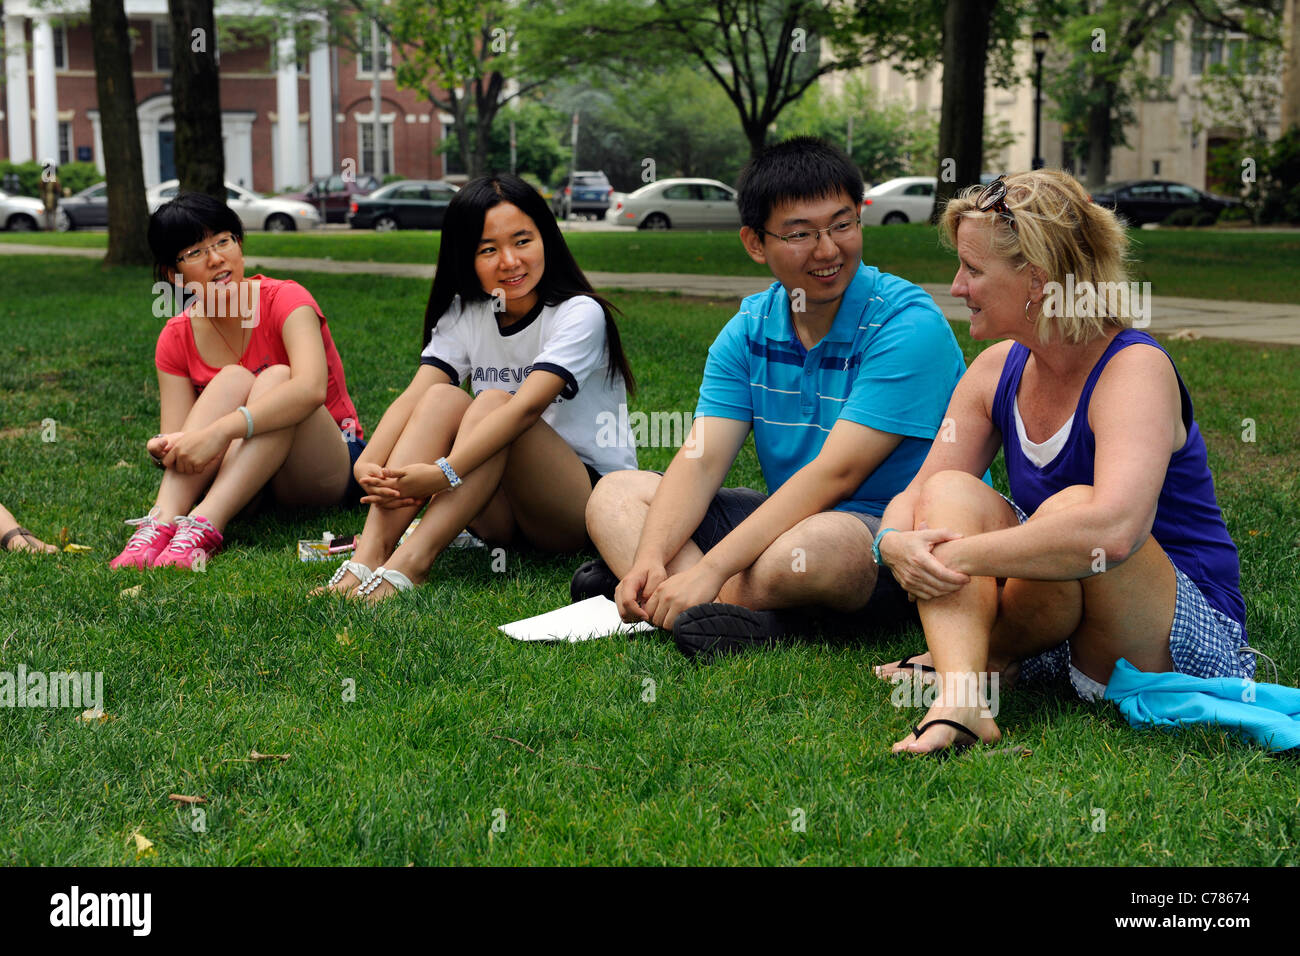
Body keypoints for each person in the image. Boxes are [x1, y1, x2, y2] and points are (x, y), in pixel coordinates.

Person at [873, 170, 1252, 756]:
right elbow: (919, 491)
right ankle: (963, 696)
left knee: (1078, 510)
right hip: (1060, 615)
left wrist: (953, 556)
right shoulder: (997, 369)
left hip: (1172, 629)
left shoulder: (1134, 369)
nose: (956, 287)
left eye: (973, 270)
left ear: (1037, 280)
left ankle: (991, 658)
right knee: (949, 489)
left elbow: (1113, 532)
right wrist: (895, 543)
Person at [578, 136, 972, 659]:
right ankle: (721, 606)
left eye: (842, 224)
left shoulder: (906, 325)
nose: (829, 249)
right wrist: (651, 551)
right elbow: (700, 462)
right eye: (801, 234)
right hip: (790, 517)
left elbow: (837, 476)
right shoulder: (749, 328)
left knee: (809, 550)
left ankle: (682, 597)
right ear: (755, 243)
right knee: (615, 495)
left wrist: (709, 567)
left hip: (887, 535)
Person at [312, 173, 636, 602]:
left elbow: (523, 411)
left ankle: (412, 564)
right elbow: (416, 395)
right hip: (497, 513)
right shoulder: (467, 312)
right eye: (488, 249)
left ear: (547, 239)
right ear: (465, 257)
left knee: (494, 405)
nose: (510, 261)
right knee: (443, 397)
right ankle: (370, 554)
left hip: (579, 505)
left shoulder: (579, 313)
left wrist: (441, 473)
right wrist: (367, 462)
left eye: (523, 241)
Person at [110, 192, 366, 570]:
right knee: (231, 379)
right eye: (195, 252)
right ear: (172, 274)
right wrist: (164, 446)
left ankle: (204, 526)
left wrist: (221, 431)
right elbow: (182, 441)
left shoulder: (287, 300)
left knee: (278, 377)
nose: (216, 259)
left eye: (223, 241)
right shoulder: (176, 336)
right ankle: (161, 523)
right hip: (244, 483)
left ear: (239, 244)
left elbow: (311, 389)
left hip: (320, 468)